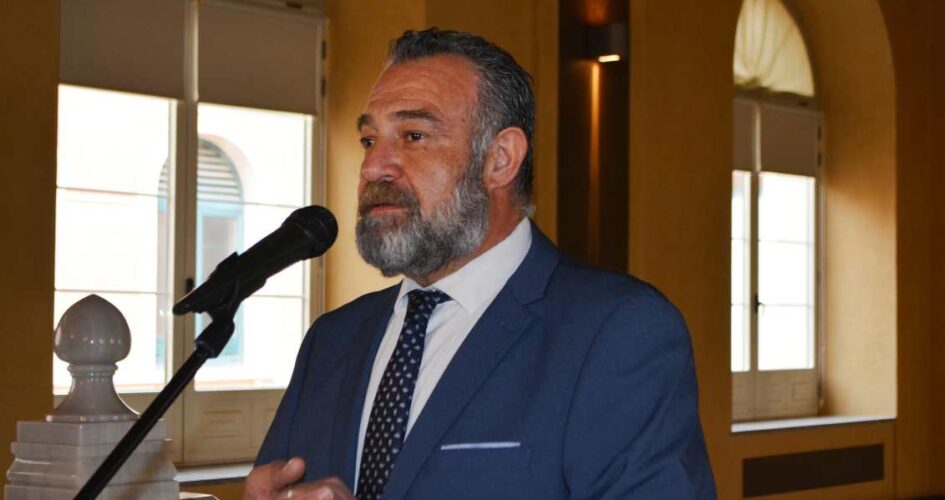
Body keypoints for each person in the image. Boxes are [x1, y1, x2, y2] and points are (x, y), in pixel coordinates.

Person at [244, 28, 716, 500]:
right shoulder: (332, 340)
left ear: (500, 159)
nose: (373, 167)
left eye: (413, 135)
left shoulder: (617, 332)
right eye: (369, 140)